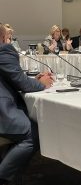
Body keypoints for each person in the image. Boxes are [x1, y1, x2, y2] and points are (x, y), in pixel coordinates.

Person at [0, 23, 53, 185]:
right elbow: (22, 84)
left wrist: (31, 80)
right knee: (33, 134)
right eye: (9, 38)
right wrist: (42, 84)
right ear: (3, 38)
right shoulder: (4, 49)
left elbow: (13, 77)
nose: (11, 41)